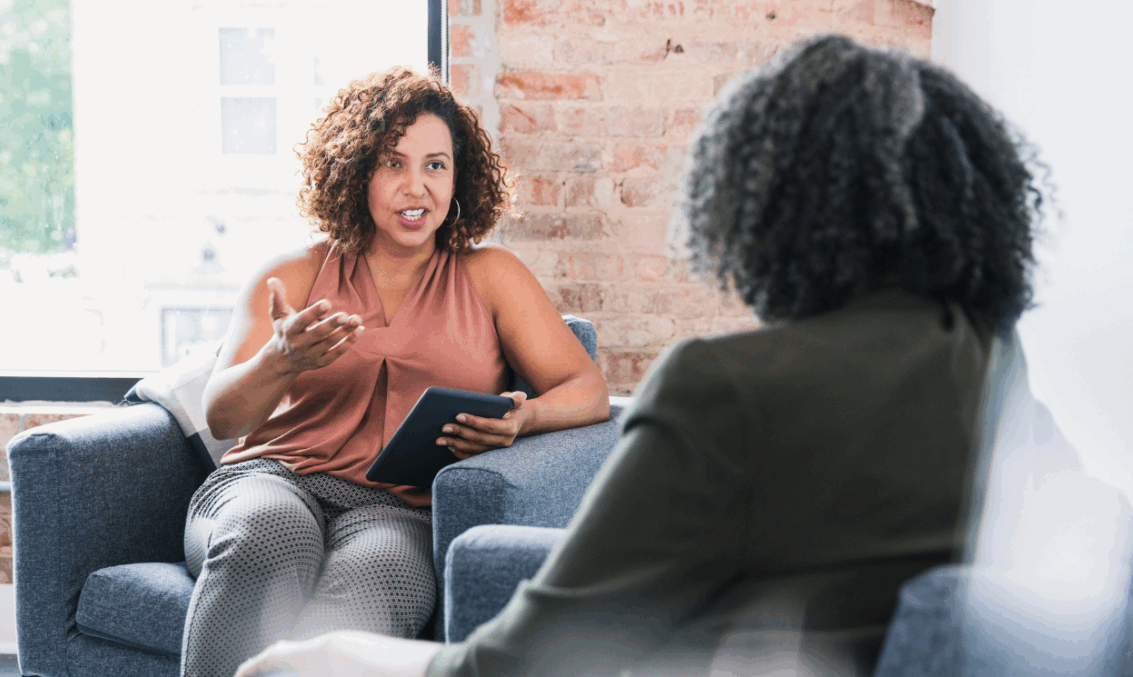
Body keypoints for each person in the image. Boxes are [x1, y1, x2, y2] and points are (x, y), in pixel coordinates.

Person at [234, 33, 1046, 677]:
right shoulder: (985, 360)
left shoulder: (719, 389)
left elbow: (520, 662)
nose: (417, 185)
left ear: (757, 204)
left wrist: (332, 657)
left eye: (434, 163)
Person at [183, 66, 611, 677]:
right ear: (358, 173)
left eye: (435, 165)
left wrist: (527, 418)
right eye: (393, 163)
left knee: (379, 576)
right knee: (272, 533)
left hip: (398, 510)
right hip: (272, 480)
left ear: (459, 178)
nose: (416, 187)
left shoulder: (492, 277)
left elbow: (589, 390)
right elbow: (224, 416)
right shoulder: (296, 272)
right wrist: (281, 361)